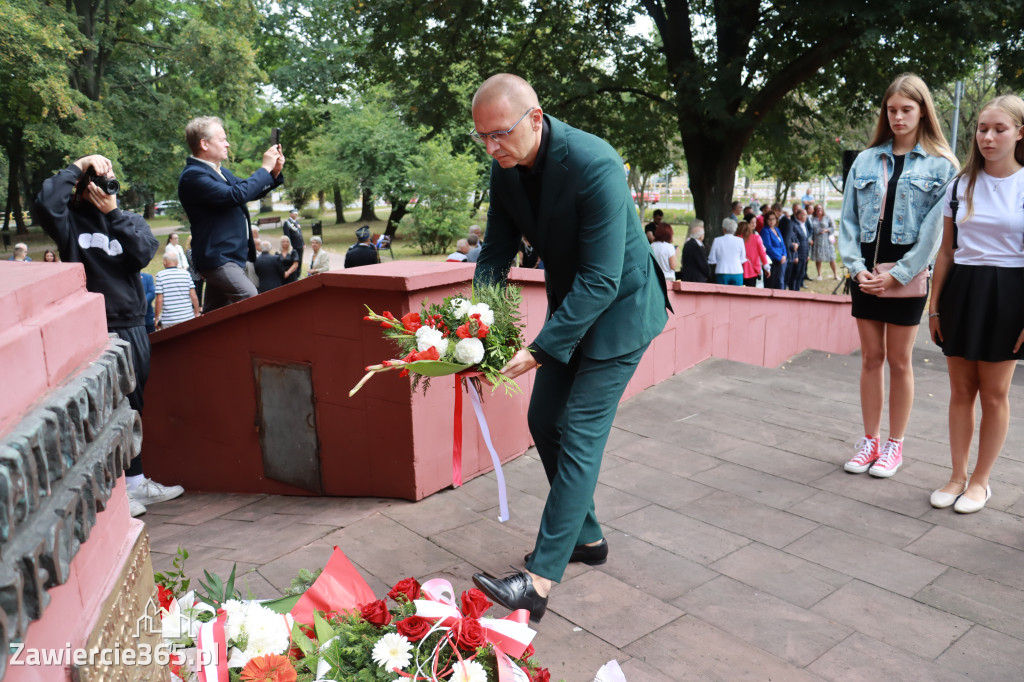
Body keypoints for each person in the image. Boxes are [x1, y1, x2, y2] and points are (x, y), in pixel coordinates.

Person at [468, 74, 670, 622]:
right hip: (573, 307)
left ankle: (538, 582)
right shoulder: (504, 168)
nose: (491, 147)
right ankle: (588, 538)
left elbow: (603, 279)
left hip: (622, 310)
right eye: (481, 137)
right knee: (543, 420)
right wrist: (477, 331)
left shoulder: (595, 162)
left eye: (499, 134)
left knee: (579, 428)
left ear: (535, 118)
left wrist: (536, 350)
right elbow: (494, 254)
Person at [35, 154, 184, 517]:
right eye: (98, 178)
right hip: (94, 325)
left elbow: (144, 252)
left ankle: (135, 483)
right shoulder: (69, 223)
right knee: (103, 409)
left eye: (111, 176)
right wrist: (78, 165)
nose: (106, 183)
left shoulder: (129, 220)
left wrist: (115, 215)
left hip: (132, 324)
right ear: (83, 185)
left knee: (133, 406)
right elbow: (44, 203)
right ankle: (117, 491)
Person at [838, 73, 958, 478]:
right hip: (866, 274)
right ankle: (869, 441)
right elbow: (848, 222)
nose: (898, 117)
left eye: (907, 109)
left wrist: (899, 275)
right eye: (892, 110)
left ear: (923, 111)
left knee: (899, 360)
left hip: (906, 275)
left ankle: (894, 445)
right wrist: (856, 270)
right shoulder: (866, 160)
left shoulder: (942, 166)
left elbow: (934, 234)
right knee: (871, 359)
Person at [929, 95, 1024, 513]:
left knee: (995, 393)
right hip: (962, 289)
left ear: (1020, 132)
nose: (987, 137)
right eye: (982, 129)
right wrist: (934, 308)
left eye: (999, 129)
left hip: (1010, 292)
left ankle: (981, 482)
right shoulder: (960, 185)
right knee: (961, 390)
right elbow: (947, 252)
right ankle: (956, 475)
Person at [177, 116, 284, 313]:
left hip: (231, 257)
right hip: (218, 259)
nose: (227, 144)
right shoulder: (193, 176)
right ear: (204, 144)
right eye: (222, 139)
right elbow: (237, 194)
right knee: (250, 297)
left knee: (214, 315)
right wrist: (264, 168)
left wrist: (273, 173)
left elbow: (249, 191)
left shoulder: (220, 172)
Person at [154, 250, 199, 328]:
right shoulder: (186, 274)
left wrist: (157, 318)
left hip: (169, 320)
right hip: (187, 317)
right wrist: (197, 312)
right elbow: (194, 296)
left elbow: (159, 300)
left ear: (164, 262)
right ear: (177, 262)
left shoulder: (160, 275)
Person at [707, 218, 746, 285]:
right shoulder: (740, 241)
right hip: (737, 271)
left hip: (722, 271)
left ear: (724, 229)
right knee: (737, 294)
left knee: (723, 294)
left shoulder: (717, 240)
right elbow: (743, 258)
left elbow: (712, 259)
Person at [737, 220, 770, 287]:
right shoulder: (756, 237)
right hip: (753, 270)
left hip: (738, 270)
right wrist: (767, 268)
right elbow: (762, 254)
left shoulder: (736, 238)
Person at [784, 208, 811, 290]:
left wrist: (807, 254)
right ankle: (793, 291)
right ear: (799, 216)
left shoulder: (804, 225)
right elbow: (794, 240)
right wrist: (796, 256)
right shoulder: (794, 225)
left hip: (804, 254)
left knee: (801, 274)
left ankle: (797, 290)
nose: (806, 217)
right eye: (805, 215)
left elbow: (805, 241)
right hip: (797, 255)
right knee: (795, 275)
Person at [809, 204, 838, 279]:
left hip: (827, 240)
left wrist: (826, 230)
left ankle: (835, 274)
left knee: (832, 257)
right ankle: (819, 275)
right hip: (817, 240)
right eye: (817, 209)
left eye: (820, 209)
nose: (819, 210)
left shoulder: (828, 217)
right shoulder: (812, 218)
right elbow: (811, 230)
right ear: (815, 210)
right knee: (818, 258)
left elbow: (833, 227)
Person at [760, 212, 787, 289]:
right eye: (769, 219)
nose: (771, 221)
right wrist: (779, 257)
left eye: (773, 219)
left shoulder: (777, 229)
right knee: (771, 283)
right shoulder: (765, 230)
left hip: (780, 260)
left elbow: (782, 244)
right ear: (766, 220)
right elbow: (768, 247)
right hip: (772, 260)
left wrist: (784, 255)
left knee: (778, 283)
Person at [282, 210, 304, 277]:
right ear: (290, 214)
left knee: (300, 258)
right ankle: (295, 273)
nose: (296, 215)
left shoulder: (296, 222)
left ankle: (299, 273)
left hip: (300, 244)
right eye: (294, 214)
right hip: (294, 244)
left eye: (296, 214)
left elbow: (300, 233)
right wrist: (289, 244)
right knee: (295, 259)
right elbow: (287, 235)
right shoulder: (287, 223)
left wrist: (303, 242)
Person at [184, 235, 204, 306]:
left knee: (200, 292)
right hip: (194, 275)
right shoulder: (189, 251)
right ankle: (195, 306)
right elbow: (193, 263)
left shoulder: (197, 250)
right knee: (195, 292)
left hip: (200, 275)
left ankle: (200, 306)